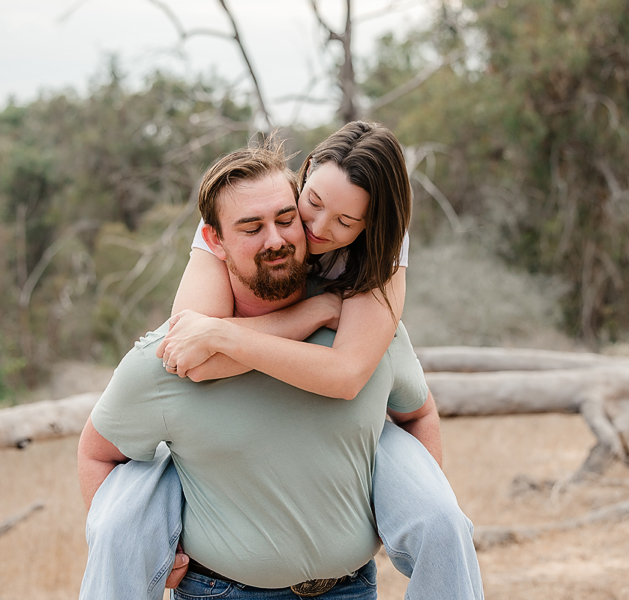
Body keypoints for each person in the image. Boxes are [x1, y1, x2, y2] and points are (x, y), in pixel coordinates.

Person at [81, 128, 483, 599]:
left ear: (369, 226)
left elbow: (361, 381)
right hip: (221, 591)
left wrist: (415, 509)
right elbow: (194, 359)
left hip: (349, 589)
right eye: (253, 228)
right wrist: (147, 550)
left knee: (444, 522)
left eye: (344, 220)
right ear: (302, 179)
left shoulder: (371, 308)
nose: (316, 229)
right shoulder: (170, 346)